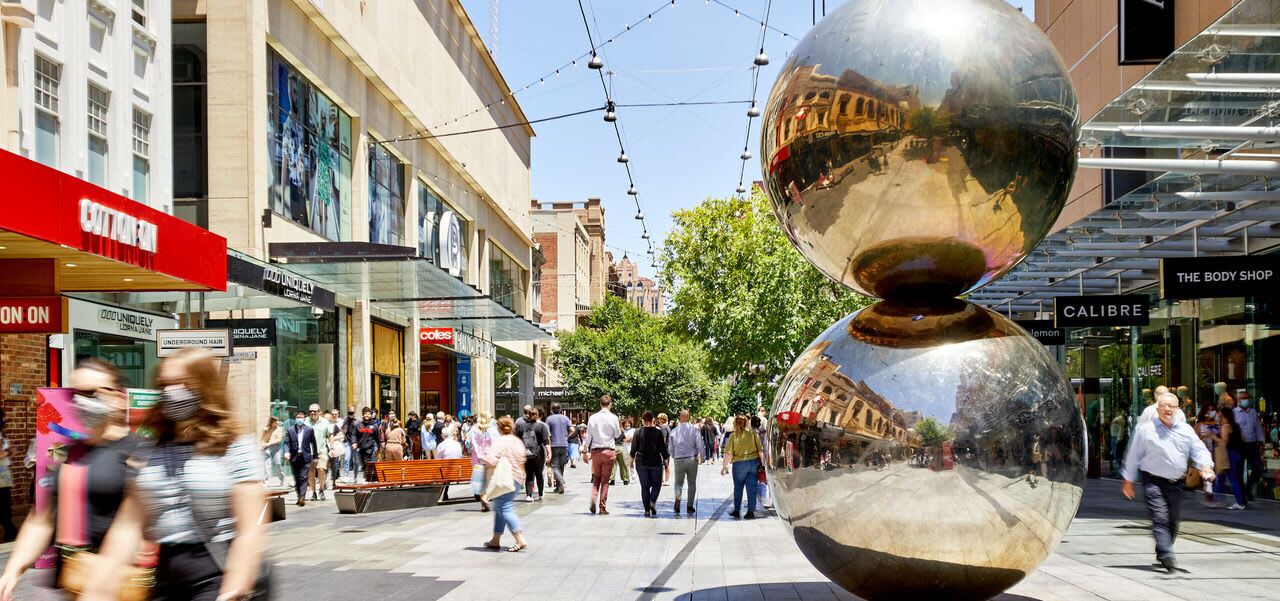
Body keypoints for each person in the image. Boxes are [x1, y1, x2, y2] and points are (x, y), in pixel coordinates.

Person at [87, 348, 267, 600]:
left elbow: (250, 529)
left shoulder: (236, 448)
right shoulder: (149, 451)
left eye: (183, 383)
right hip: (166, 577)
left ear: (205, 387)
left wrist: (235, 584)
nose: (172, 392)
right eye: (165, 385)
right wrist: (98, 586)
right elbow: (128, 525)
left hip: (217, 573)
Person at [0, 359, 139, 599]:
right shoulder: (62, 450)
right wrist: (13, 569)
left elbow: (137, 527)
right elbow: (41, 519)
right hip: (72, 580)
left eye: (92, 393)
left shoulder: (138, 452)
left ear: (119, 396)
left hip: (119, 583)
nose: (82, 400)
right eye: (76, 393)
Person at [1122, 392, 1215, 573]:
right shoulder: (1145, 430)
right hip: (1152, 481)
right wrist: (1128, 479)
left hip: (1176, 482)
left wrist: (1206, 466)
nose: (1167, 409)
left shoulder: (1185, 430)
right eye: (1163, 406)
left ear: (1177, 409)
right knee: (1160, 517)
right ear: (1157, 409)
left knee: (1172, 520)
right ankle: (1166, 554)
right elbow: (1134, 455)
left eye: (1171, 406)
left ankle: (1163, 548)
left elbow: (1198, 449)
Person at [479, 416, 528, 552]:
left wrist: (482, 458)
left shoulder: (499, 442)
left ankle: (519, 539)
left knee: (504, 508)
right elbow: (523, 457)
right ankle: (495, 539)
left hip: (505, 479)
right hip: (518, 478)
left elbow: (490, 460)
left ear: (499, 428)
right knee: (500, 507)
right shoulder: (517, 441)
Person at [583, 395, 623, 515]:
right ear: (610, 404)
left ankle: (593, 497)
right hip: (608, 451)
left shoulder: (593, 418)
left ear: (600, 404)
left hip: (596, 451)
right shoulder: (613, 418)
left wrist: (585, 451)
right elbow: (617, 435)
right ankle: (602, 507)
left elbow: (588, 436)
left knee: (596, 478)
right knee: (605, 481)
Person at [722, 415, 766, 519]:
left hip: (739, 464)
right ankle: (750, 511)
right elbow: (760, 450)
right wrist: (763, 464)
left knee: (738, 488)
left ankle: (737, 510)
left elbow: (728, 453)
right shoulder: (753, 434)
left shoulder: (733, 436)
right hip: (753, 463)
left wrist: (724, 467)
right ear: (747, 423)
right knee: (752, 488)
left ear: (735, 424)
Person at [631, 412, 670, 517]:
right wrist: (666, 461)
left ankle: (646, 510)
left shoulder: (638, 432)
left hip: (641, 461)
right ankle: (652, 501)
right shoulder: (657, 433)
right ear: (653, 419)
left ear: (642, 420)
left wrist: (630, 461)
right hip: (655, 461)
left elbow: (633, 448)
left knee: (645, 486)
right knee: (657, 484)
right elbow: (662, 449)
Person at [1212, 406, 1248, 510]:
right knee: (1228, 477)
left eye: (1219, 413)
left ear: (1222, 414)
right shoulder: (1235, 425)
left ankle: (1239, 503)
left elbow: (1224, 441)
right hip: (1237, 453)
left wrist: (1213, 436)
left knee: (1232, 478)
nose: (1217, 415)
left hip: (1229, 454)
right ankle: (1236, 501)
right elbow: (1243, 438)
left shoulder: (1226, 426)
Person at [668, 410, 704, 514]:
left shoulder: (674, 431)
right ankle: (690, 505)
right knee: (692, 482)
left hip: (679, 459)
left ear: (679, 417)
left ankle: (678, 499)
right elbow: (700, 444)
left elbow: (670, 447)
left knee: (678, 482)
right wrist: (703, 456)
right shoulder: (694, 430)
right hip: (692, 459)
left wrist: (674, 455)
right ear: (689, 417)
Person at [1232, 395, 1265, 502]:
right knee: (1239, 471)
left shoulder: (1253, 412)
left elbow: (1258, 427)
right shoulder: (1234, 413)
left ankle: (1248, 488)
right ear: (1238, 400)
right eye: (1243, 398)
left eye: (1247, 397)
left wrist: (1261, 440)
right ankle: (1242, 495)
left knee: (1258, 468)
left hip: (1252, 443)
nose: (1246, 400)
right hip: (1240, 444)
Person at [466, 411, 499, 511]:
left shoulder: (473, 429)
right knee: (489, 479)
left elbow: (468, 443)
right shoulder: (492, 429)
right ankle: (486, 498)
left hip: (477, 458)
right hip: (489, 458)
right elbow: (497, 443)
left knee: (480, 480)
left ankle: (483, 498)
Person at [284, 410, 318, 506]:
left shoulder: (309, 429)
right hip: (294, 457)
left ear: (304, 418)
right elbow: (286, 442)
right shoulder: (290, 430)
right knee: (297, 477)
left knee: (303, 477)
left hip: (305, 457)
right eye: (298, 417)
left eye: (301, 417)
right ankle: (299, 496)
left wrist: (315, 457)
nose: (300, 419)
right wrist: (286, 452)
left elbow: (313, 443)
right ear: (295, 419)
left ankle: (302, 497)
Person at [521, 408, 551, 502]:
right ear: (537, 415)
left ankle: (529, 495)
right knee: (539, 474)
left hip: (526, 453)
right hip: (538, 453)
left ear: (528, 415)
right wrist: (549, 452)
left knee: (529, 474)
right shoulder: (541, 426)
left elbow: (518, 440)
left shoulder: (522, 426)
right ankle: (541, 494)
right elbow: (546, 441)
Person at [306, 403, 333, 501]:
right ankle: (313, 493)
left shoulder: (325, 422)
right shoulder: (305, 422)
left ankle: (321, 489)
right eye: (311, 411)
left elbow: (330, 435)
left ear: (319, 412)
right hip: (309, 452)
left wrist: (332, 448)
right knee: (311, 473)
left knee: (321, 469)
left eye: (315, 411)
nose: (312, 413)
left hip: (321, 451)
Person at [545, 403, 572, 494]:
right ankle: (559, 487)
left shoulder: (549, 419)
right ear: (560, 409)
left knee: (554, 466)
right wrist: (566, 437)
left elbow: (547, 432)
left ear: (552, 410)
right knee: (561, 466)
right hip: (564, 444)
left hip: (554, 445)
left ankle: (561, 482)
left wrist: (549, 440)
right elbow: (572, 429)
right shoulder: (565, 418)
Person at [0, 410, 16, 542]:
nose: (6, 420)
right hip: (0, 474)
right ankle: (10, 531)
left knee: (5, 505)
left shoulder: (1, 434)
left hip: (3, 473)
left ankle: (9, 530)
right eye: (4, 418)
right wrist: (10, 452)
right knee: (4, 505)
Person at [354, 407, 381, 482]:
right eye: (365, 413)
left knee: (367, 461)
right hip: (360, 447)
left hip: (369, 447)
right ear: (363, 415)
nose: (367, 415)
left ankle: (367, 478)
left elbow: (377, 438)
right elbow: (354, 435)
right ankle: (371, 476)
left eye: (369, 414)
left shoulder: (374, 426)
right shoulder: (359, 425)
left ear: (371, 415)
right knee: (363, 463)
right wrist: (354, 442)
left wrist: (379, 447)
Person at [261, 416, 285, 487]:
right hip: (267, 449)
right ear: (271, 422)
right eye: (275, 421)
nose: (277, 422)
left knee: (278, 464)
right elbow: (263, 439)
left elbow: (279, 439)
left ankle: (281, 477)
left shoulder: (280, 429)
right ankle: (266, 482)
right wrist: (263, 444)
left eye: (277, 421)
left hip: (276, 448)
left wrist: (269, 443)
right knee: (266, 465)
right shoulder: (267, 429)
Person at [612, 417, 633, 486]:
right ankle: (625, 479)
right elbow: (624, 440)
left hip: (613, 447)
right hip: (621, 448)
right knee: (623, 465)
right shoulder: (621, 431)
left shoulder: (611, 431)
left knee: (613, 465)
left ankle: (612, 480)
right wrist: (630, 440)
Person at [327, 410, 344, 488]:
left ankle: (333, 481)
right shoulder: (324, 425)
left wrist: (333, 438)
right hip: (324, 447)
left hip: (333, 447)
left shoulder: (335, 426)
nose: (333, 416)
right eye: (332, 414)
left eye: (335, 414)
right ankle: (325, 482)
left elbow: (342, 436)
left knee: (334, 464)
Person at [657, 413, 672, 485]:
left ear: (661, 419)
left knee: (665, 465)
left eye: (658, 419)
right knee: (665, 464)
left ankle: (666, 480)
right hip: (667, 449)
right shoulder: (668, 427)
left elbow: (663, 440)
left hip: (664, 449)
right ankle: (663, 480)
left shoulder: (663, 428)